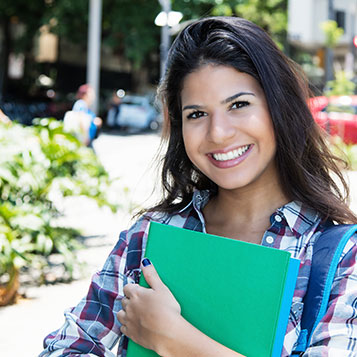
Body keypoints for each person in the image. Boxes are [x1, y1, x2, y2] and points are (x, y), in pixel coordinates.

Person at [40, 17, 357, 356]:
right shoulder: (149, 237)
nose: (218, 133)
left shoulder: (339, 258)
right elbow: (65, 348)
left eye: (238, 105)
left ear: (279, 107)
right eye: (196, 114)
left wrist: (175, 339)